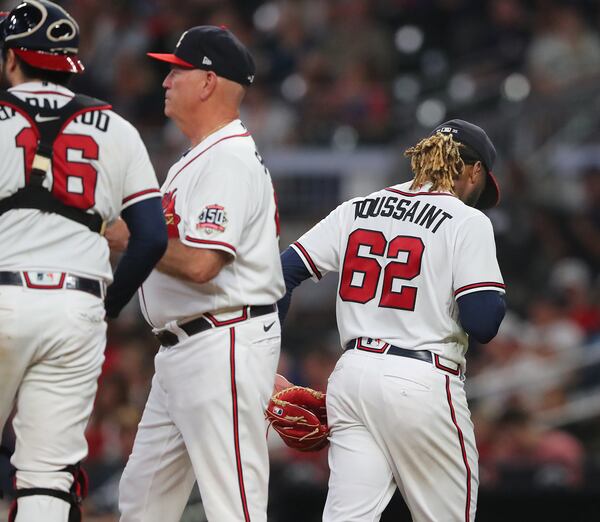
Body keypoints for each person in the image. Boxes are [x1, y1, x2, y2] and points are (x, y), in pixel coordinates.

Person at [279, 120, 507, 522]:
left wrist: (267, 367)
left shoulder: (358, 207)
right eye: (481, 186)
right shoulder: (466, 220)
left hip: (351, 378)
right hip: (420, 381)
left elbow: (282, 274)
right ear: (474, 171)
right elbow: (484, 321)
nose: (478, 196)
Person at [0, 1, 167, 521]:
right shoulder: (115, 128)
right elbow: (151, 237)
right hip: (76, 306)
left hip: (3, 292)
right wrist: (109, 305)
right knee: (48, 474)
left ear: (11, 59)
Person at [118, 26, 285, 522]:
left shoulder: (228, 159)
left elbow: (201, 262)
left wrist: (125, 234)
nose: (166, 81)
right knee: (141, 502)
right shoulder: (200, 158)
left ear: (209, 82)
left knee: (234, 509)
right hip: (185, 349)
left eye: (177, 70)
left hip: (220, 341)